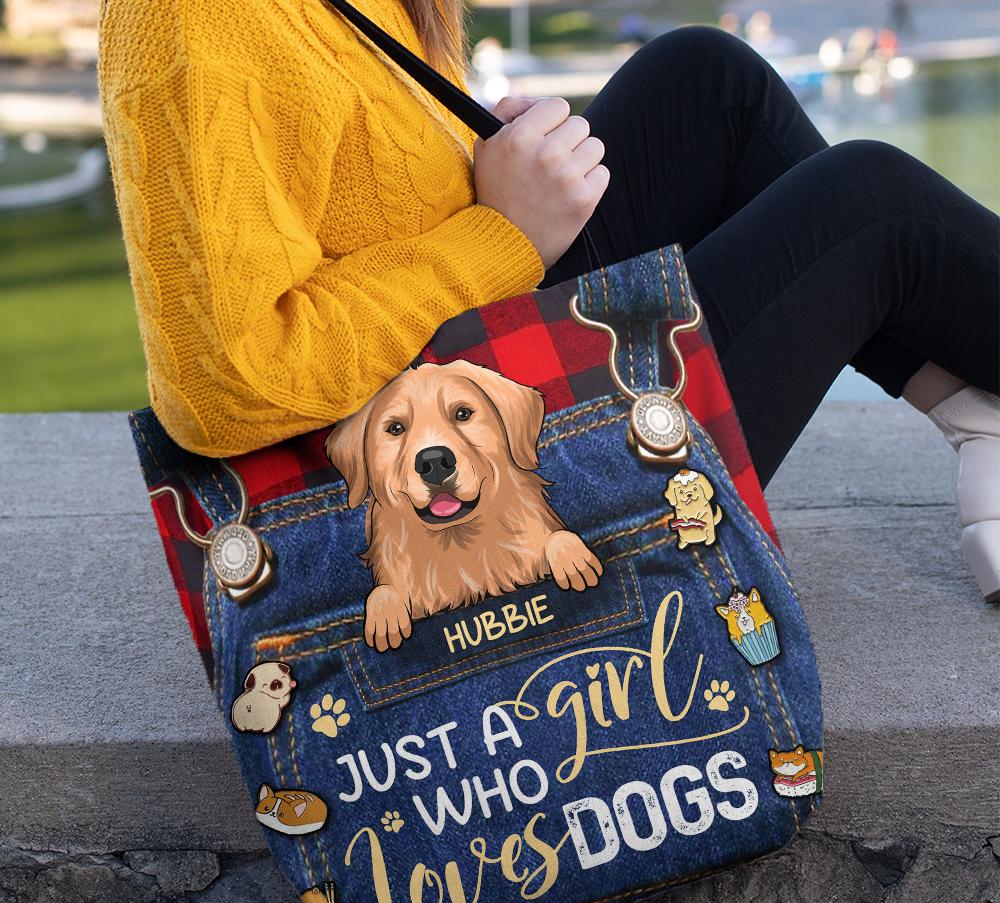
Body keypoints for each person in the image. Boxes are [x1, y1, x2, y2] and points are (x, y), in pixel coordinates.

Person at [97, 1, 999, 601]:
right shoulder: (198, 18)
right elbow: (225, 380)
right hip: (468, 526)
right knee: (873, 206)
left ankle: (981, 419)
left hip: (482, 402)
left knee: (706, 84)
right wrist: (501, 232)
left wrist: (484, 169)